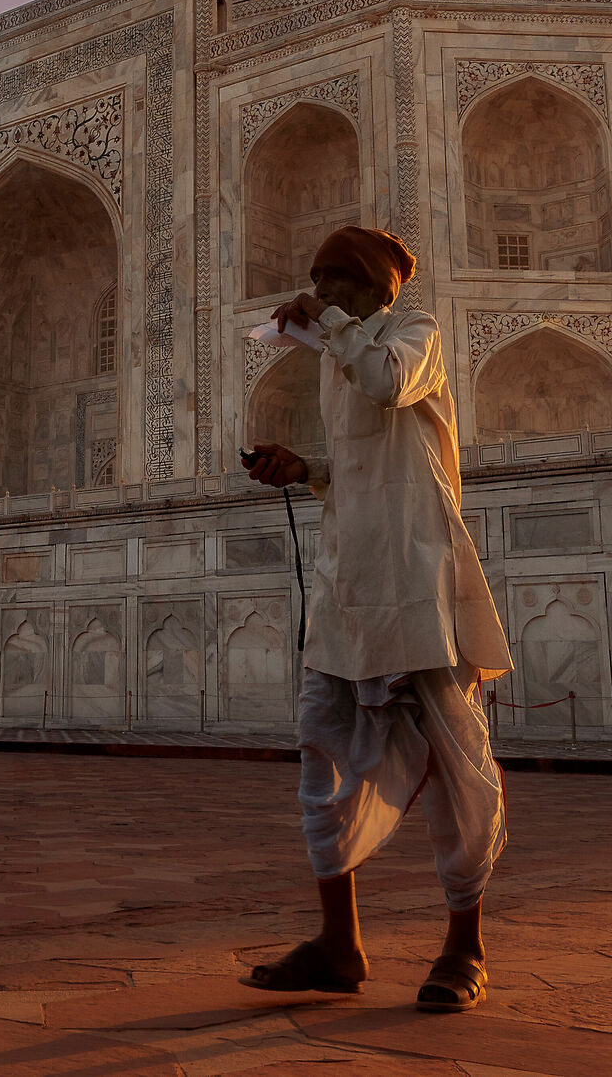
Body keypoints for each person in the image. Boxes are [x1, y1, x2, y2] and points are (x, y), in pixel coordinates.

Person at [239, 225, 511, 1013]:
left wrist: (325, 326)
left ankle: (466, 946)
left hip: (418, 579)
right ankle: (339, 942)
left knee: (458, 768)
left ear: (373, 286)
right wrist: (306, 468)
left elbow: (389, 385)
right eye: (315, 281)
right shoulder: (339, 354)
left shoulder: (412, 336)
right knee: (320, 759)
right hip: (349, 582)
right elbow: (367, 460)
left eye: (332, 280)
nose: (319, 293)